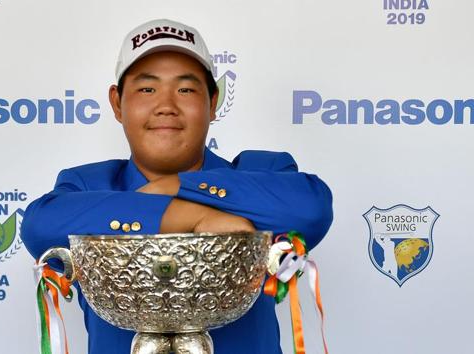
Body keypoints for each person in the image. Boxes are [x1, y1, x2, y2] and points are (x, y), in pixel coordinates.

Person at [21, 18, 333, 354]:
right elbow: (39, 227)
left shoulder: (263, 171)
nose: (166, 105)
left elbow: (312, 208)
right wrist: (189, 216)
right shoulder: (87, 184)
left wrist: (173, 185)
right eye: (147, 89)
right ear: (117, 103)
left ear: (213, 103)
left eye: (185, 89)